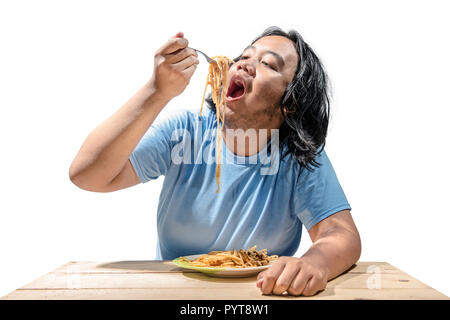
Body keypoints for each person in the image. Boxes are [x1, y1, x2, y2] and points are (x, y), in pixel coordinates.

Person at [69, 27, 361, 297]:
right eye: (245, 56)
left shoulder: (298, 155)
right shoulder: (186, 132)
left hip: (259, 297)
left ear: (290, 103)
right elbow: (87, 174)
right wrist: (156, 92)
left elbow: (341, 234)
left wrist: (316, 262)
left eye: (268, 64)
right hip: (174, 295)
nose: (245, 63)